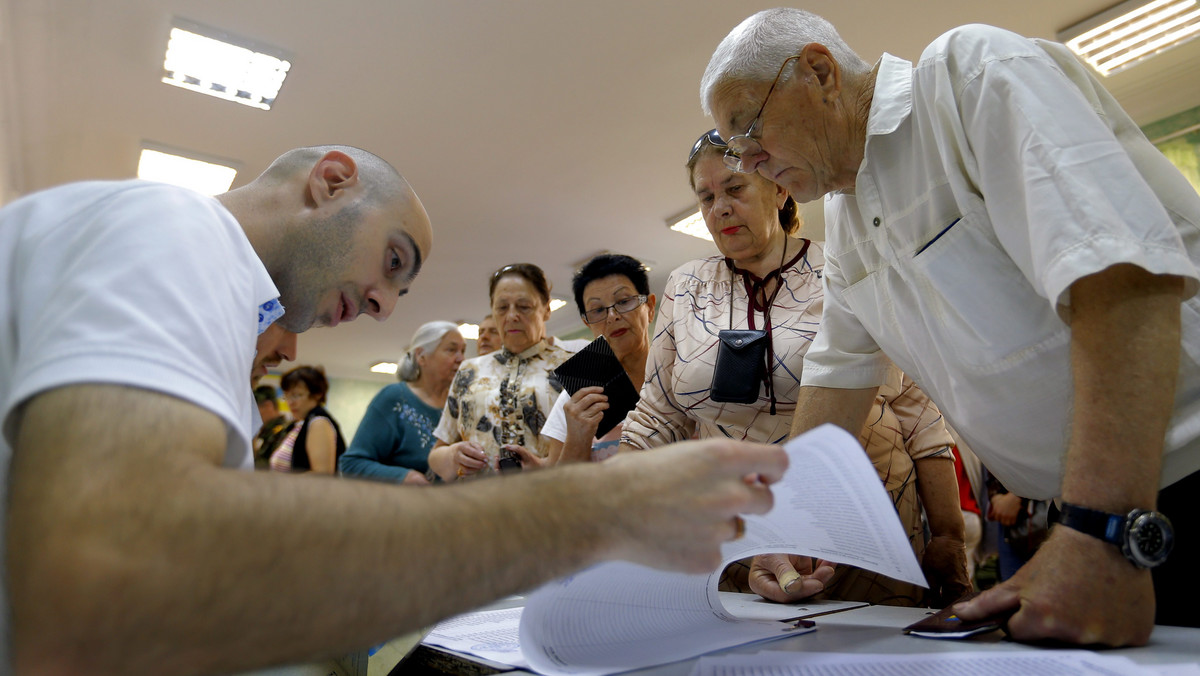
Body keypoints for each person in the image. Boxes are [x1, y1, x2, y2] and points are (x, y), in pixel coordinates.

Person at [1, 144, 789, 674]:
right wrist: (586, 510)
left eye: (399, 290)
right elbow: (107, 570)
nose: (382, 304)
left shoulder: (197, 268)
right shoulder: (177, 229)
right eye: (393, 262)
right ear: (332, 179)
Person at [701, 8, 1200, 644]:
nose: (749, 157)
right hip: (1096, 507)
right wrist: (787, 529)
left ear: (818, 71)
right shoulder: (850, 220)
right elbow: (838, 376)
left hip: (1153, 485)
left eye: (748, 127)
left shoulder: (966, 77)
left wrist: (1102, 535)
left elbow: (1124, 284)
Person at [619, 131, 968, 607]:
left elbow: (917, 409)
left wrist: (948, 535)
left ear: (778, 187)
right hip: (737, 534)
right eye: (706, 196)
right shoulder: (688, 286)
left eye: (734, 188)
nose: (718, 207)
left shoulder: (845, 267)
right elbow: (657, 415)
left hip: (865, 527)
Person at [427, 263, 572, 479]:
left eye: (524, 306)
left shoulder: (571, 364)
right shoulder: (470, 371)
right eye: (502, 308)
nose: (512, 316)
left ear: (546, 309)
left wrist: (544, 466)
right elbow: (436, 453)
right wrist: (453, 455)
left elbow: (596, 450)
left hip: (546, 500)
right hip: (477, 504)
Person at [539, 254, 657, 465]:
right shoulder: (579, 396)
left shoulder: (681, 374)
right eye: (598, 310)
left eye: (623, 301)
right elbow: (559, 485)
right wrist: (578, 437)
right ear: (588, 323)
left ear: (649, 307)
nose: (612, 316)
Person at [339, 320, 465, 484]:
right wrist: (405, 477)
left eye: (463, 351)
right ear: (421, 356)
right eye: (451, 350)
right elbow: (351, 464)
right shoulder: (394, 398)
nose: (461, 358)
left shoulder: (461, 404)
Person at [270, 366, 345, 474]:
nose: (290, 402)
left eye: (296, 395)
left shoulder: (319, 423)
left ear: (317, 394)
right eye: (287, 396)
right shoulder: (300, 424)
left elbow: (322, 476)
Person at [253, 385, 293, 470]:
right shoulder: (266, 432)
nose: (253, 416)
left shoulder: (283, 432)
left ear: (268, 406)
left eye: (255, 410)